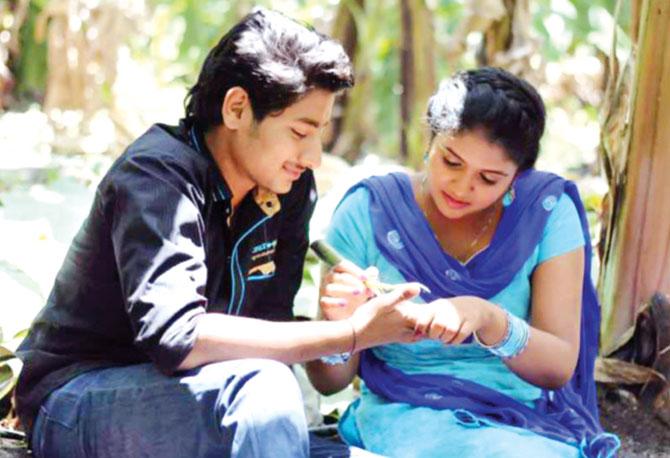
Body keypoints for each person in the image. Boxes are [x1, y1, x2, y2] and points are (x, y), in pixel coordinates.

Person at [15, 8, 422, 458]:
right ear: (236, 108)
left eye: (320, 134)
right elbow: (179, 338)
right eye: (300, 132)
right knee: (265, 390)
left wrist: (341, 320)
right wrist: (348, 335)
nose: (313, 157)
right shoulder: (157, 176)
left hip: (215, 398)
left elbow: (270, 330)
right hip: (78, 401)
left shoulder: (287, 188)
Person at [307, 67, 621, 457]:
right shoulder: (368, 211)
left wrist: (489, 320)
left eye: (488, 178)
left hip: (523, 422)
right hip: (404, 416)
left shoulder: (545, 213)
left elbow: (557, 367)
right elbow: (328, 382)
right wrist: (345, 328)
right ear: (430, 143)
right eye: (451, 162)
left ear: (517, 177)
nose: (461, 186)